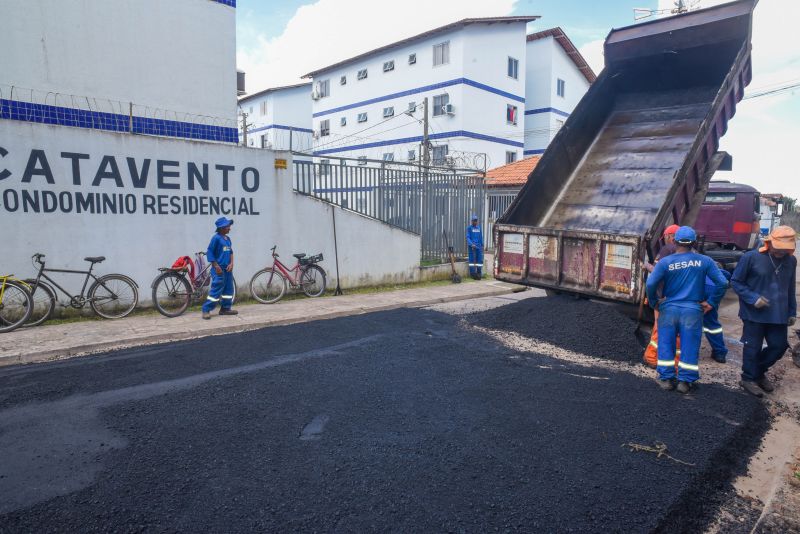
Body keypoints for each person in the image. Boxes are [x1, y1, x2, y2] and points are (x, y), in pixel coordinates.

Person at [646, 226, 728, 394]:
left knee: (666, 344)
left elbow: (651, 283)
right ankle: (685, 382)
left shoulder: (665, 262)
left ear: (674, 241)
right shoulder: (705, 261)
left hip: (669, 309)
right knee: (689, 346)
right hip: (692, 311)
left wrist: (654, 302)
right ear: (694, 242)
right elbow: (722, 282)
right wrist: (711, 302)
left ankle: (666, 379)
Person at [730, 225, 797, 397]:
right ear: (769, 243)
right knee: (752, 347)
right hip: (753, 313)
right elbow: (736, 282)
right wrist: (753, 298)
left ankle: (757, 372)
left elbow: (790, 287)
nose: (780, 252)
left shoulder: (791, 261)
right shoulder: (751, 257)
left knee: (779, 346)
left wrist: (791, 311)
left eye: (785, 249)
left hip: (779, 314)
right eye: (777, 248)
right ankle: (748, 378)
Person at [642, 224, 681, 367]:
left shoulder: (667, 249)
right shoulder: (692, 253)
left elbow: (657, 272)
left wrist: (646, 265)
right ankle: (673, 361)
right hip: (681, 299)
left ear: (671, 237)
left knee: (659, 327)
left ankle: (652, 357)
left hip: (664, 297)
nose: (665, 239)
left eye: (665, 237)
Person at [202, 217, 238, 320]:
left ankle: (225, 308)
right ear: (222, 228)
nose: (229, 228)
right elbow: (210, 251)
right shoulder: (216, 238)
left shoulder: (228, 239)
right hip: (218, 269)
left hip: (228, 269)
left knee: (228, 289)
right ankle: (206, 310)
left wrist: (232, 263)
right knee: (216, 290)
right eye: (228, 226)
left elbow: (231, 252)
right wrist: (216, 266)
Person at [702, 266, 732, 363]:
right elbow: (726, 275)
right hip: (713, 288)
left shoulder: (674, 257)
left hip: (698, 288)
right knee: (711, 324)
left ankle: (687, 354)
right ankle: (720, 352)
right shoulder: (706, 261)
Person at [466, 214, 484, 280]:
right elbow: (468, 237)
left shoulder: (479, 228)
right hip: (472, 247)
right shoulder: (469, 228)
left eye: (476, 220)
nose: (475, 222)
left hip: (478, 246)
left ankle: (479, 273)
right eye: (474, 220)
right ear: (471, 221)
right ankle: (472, 274)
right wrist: (471, 244)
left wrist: (482, 245)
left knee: (479, 260)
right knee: (472, 260)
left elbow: (481, 237)